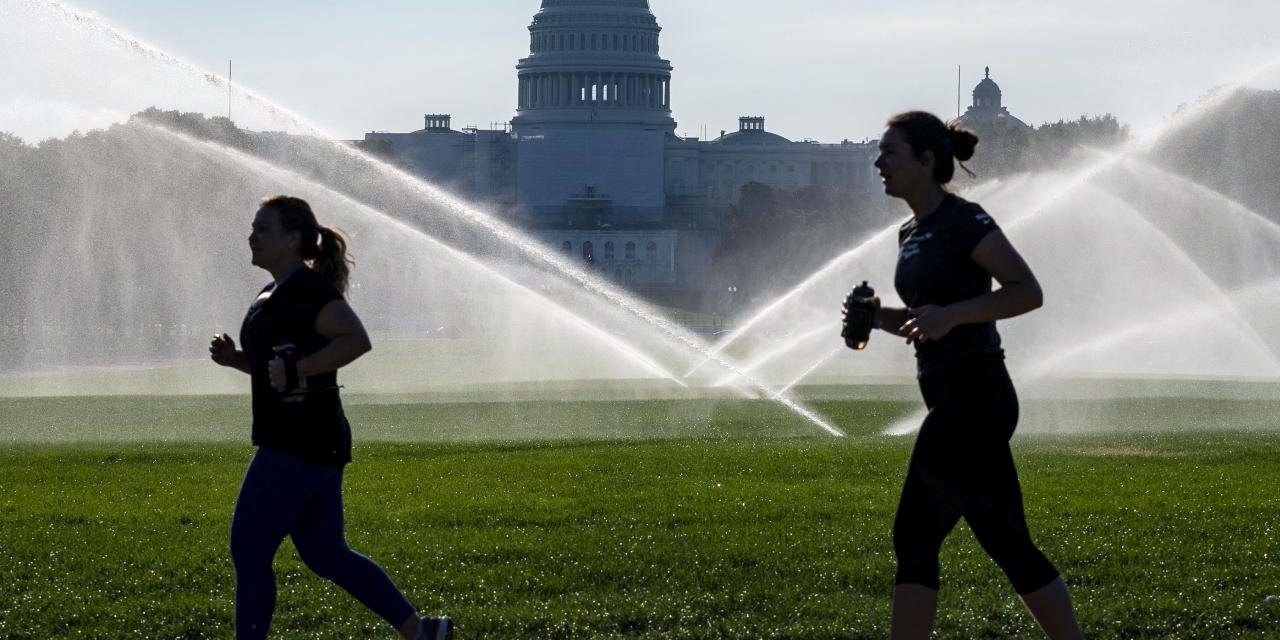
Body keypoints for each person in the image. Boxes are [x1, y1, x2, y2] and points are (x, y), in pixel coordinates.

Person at [861, 112, 1086, 639]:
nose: (879, 163)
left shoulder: (966, 221)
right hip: (950, 393)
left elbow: (1026, 291)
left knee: (914, 536)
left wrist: (954, 314)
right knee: (1008, 542)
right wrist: (878, 316)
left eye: (889, 153)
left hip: (975, 394)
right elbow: (927, 323)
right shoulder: (908, 233)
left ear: (926, 161)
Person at [209, 195, 452, 640]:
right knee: (326, 555)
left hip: (298, 442)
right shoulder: (270, 293)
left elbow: (355, 339)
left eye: (263, 228)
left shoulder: (309, 290)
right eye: (253, 226)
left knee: (249, 549)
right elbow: (275, 370)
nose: (252, 235)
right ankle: (421, 631)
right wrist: (236, 360)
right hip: (310, 441)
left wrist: (298, 369)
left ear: (293, 238)